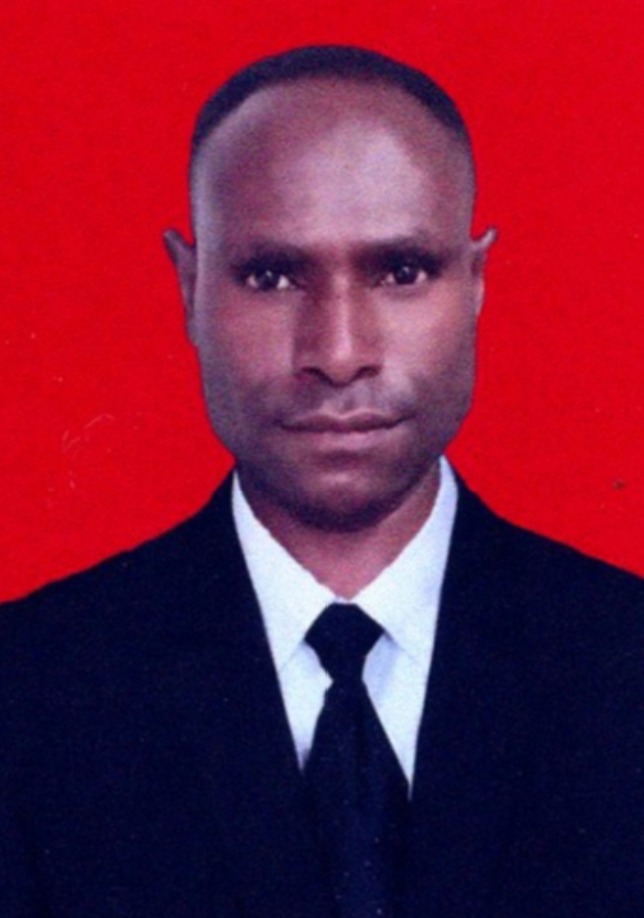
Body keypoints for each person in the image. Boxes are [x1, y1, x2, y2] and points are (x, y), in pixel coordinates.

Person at [0, 45, 642, 918]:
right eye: (271, 276)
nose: (338, 353)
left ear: (476, 282)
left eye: (401, 271)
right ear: (188, 287)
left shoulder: (625, 668)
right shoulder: (30, 695)